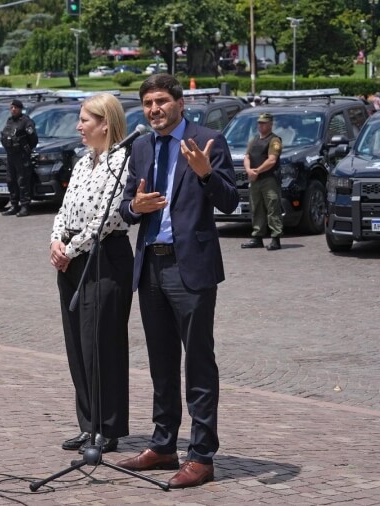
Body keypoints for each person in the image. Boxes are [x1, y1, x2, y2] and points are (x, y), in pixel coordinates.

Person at [116, 74, 239, 489]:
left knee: (198, 362)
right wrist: (134, 205)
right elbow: (127, 206)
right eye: (148, 103)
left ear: (180, 103)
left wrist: (205, 173)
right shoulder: (141, 145)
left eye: (162, 101)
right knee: (161, 362)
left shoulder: (209, 140)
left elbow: (229, 200)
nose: (155, 110)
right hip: (150, 265)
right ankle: (164, 443)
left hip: (192, 269)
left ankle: (202, 456)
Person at [49, 93, 133, 455]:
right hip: (71, 258)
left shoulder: (122, 162)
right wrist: (55, 239)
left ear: (106, 124)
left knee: (101, 345)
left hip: (104, 257)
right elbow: (64, 208)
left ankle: (108, 428)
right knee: (78, 346)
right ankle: (87, 424)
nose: (78, 126)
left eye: (85, 120)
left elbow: (108, 217)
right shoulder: (84, 162)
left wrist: (71, 248)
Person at [241, 112, 283, 250]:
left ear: (271, 124)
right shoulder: (254, 140)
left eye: (264, 123)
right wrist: (249, 170)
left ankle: (275, 238)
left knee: (272, 208)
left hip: (268, 179)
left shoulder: (274, 140)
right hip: (255, 180)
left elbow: (272, 160)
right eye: (259, 123)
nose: (261, 125)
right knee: (256, 208)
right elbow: (247, 156)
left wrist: (257, 171)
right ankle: (257, 237)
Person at [0, 99, 38, 217]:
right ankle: (14, 205)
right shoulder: (10, 121)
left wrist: (26, 149)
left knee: (22, 181)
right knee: (11, 180)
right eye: (11, 107)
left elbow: (33, 139)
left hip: (22, 156)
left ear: (20, 108)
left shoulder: (26, 122)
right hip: (11, 155)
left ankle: (25, 206)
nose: (13, 110)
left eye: (15, 107)